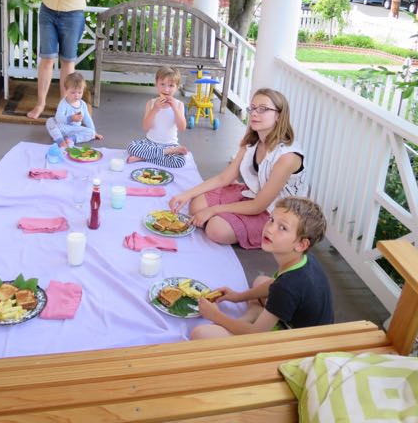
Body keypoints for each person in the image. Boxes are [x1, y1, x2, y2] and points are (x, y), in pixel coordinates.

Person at [169, 88, 308, 248]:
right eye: (253, 108)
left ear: (278, 115)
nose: (254, 113)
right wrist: (186, 194)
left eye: (263, 109)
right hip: (252, 194)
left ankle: (229, 223)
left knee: (216, 230)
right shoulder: (253, 141)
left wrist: (213, 210)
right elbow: (224, 178)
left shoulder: (287, 157)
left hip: (275, 212)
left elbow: (259, 206)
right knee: (195, 205)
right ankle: (226, 218)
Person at [191, 196, 333, 339]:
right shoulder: (303, 259)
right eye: (271, 220)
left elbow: (256, 335)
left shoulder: (287, 287)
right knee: (261, 281)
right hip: (306, 327)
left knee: (200, 334)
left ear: (302, 244)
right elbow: (275, 284)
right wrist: (237, 297)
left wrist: (216, 316)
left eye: (282, 227)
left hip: (299, 346)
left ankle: (250, 320)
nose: (270, 229)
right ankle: (253, 316)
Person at [127, 66, 188, 168]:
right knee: (131, 147)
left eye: (171, 85)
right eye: (162, 84)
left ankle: (144, 157)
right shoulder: (151, 103)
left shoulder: (179, 105)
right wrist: (155, 109)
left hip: (170, 144)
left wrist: (175, 110)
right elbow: (145, 127)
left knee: (179, 161)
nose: (166, 89)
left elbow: (182, 128)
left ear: (177, 87)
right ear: (156, 84)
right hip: (150, 142)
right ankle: (165, 152)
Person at [45, 72, 103, 147]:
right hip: (62, 127)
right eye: (73, 92)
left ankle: (71, 139)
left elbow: (87, 119)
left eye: (79, 92)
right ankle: (60, 141)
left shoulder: (83, 105)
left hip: (75, 129)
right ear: (66, 90)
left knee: (91, 132)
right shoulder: (63, 103)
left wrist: (94, 132)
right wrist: (71, 118)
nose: (76, 95)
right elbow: (58, 118)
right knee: (50, 121)